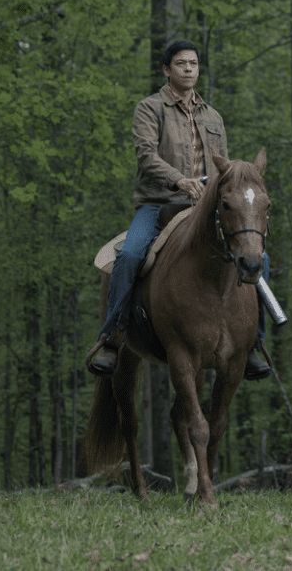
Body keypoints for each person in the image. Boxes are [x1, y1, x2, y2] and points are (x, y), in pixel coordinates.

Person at [86, 40, 272, 381]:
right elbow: (146, 155)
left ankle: (253, 345)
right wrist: (179, 181)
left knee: (259, 257)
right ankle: (112, 338)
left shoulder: (213, 116)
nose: (189, 68)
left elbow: (224, 168)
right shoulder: (149, 108)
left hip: (205, 208)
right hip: (159, 204)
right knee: (128, 255)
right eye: (181, 63)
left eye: (194, 64)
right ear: (166, 69)